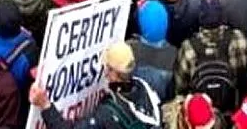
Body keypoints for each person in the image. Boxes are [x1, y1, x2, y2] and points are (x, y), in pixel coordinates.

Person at [29, 42, 160, 129]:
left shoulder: (107, 113)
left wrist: (45, 105)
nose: (105, 72)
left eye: (106, 67)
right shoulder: (145, 88)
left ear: (113, 72)